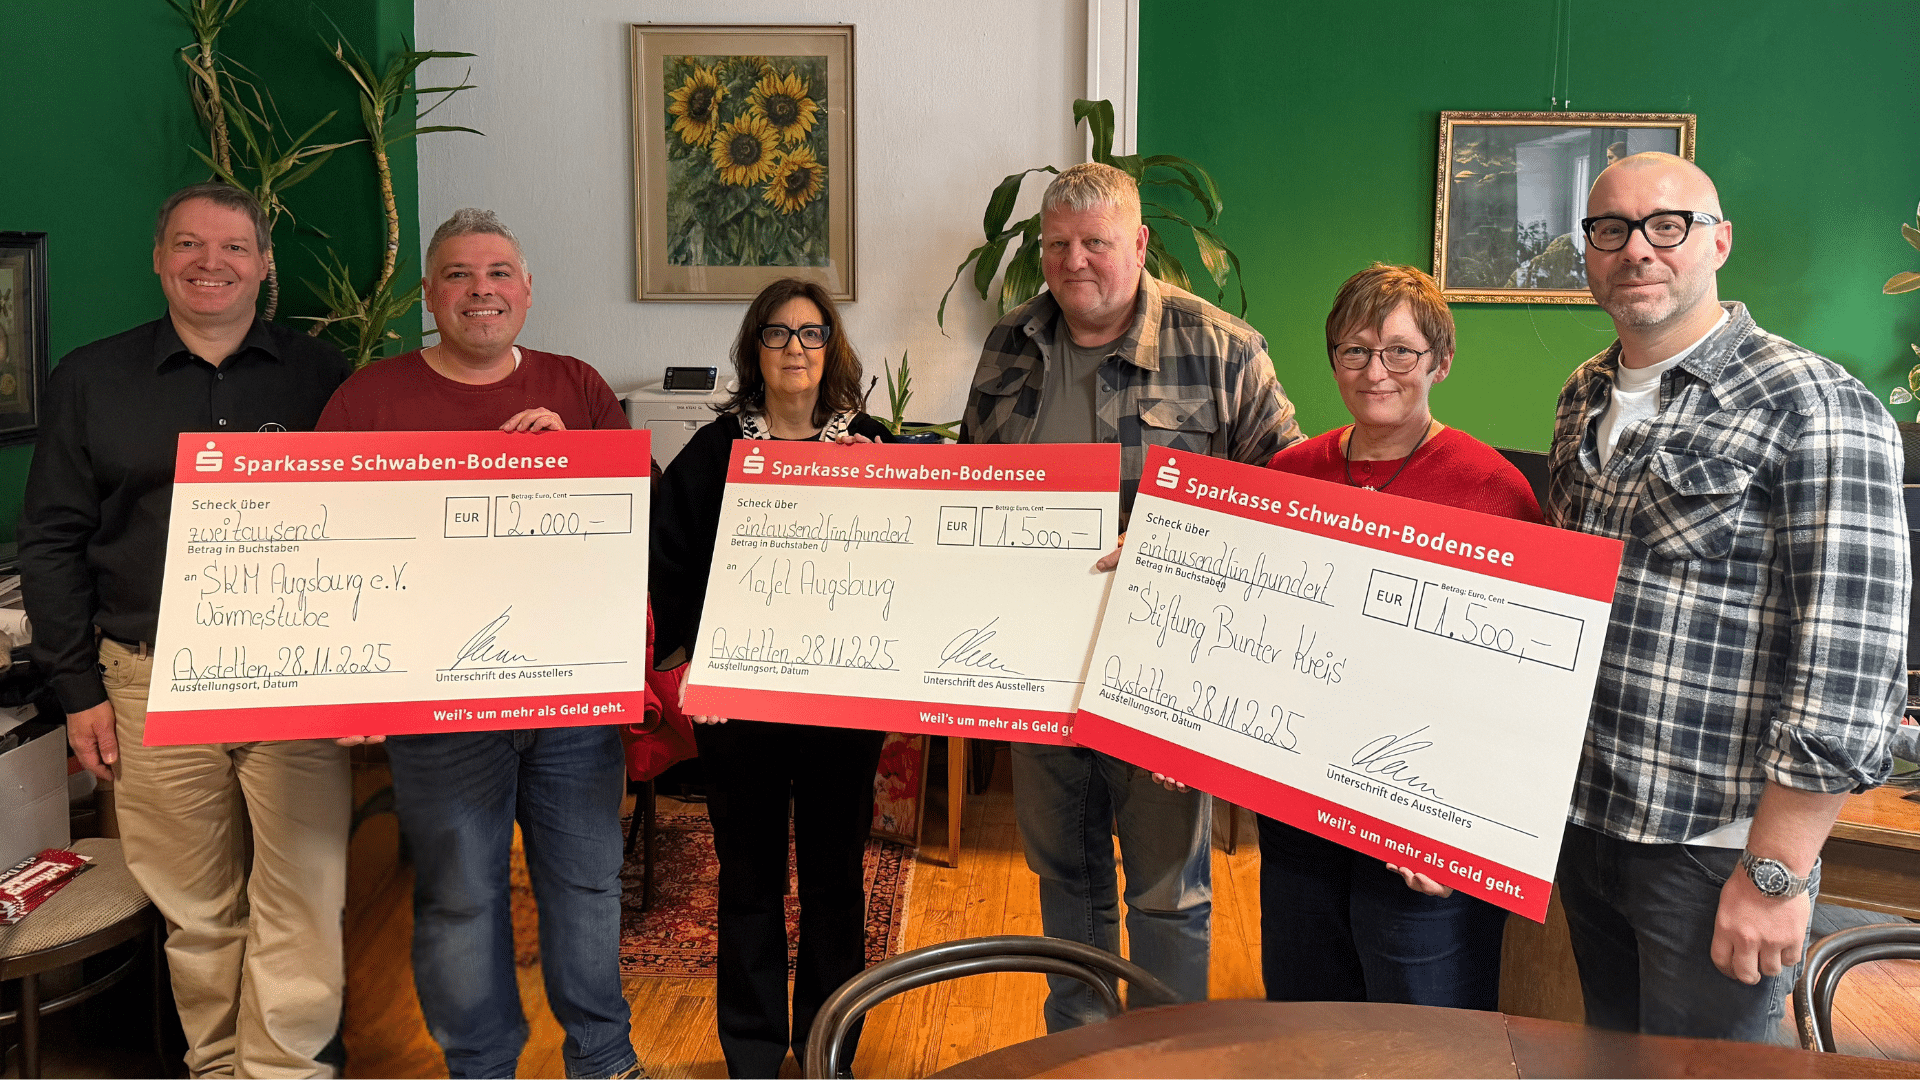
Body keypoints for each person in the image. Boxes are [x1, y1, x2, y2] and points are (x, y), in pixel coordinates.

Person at [1547, 152, 1909, 1041]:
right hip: (1588, 821)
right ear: (1588, 250)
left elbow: (1851, 661)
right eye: (1611, 230)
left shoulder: (1814, 404)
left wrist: (1777, 871)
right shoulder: (1582, 394)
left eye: (1667, 225)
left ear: (1719, 242)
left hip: (1713, 850)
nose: (1638, 249)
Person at [18, 182, 353, 1077]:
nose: (212, 263)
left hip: (294, 677)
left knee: (304, 897)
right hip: (147, 677)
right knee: (197, 910)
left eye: (235, 247)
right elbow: (50, 541)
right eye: (190, 245)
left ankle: (284, 1073)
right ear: (159, 259)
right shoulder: (91, 379)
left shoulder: (322, 377)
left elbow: (375, 515)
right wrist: (77, 691)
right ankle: (217, 1066)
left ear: (264, 264)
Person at [962, 161, 1304, 1031]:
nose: (1073, 261)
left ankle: (1165, 1057)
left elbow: (1288, 505)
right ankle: (1080, 1053)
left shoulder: (1223, 348)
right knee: (1063, 876)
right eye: (1057, 245)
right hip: (1036, 663)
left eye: (1096, 243)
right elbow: (967, 486)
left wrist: (1179, 551)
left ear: (1141, 243)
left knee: (1166, 889)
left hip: (1164, 665)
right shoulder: (1009, 344)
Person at [317, 208, 643, 1079]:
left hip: (570, 697)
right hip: (439, 708)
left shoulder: (578, 388)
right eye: (458, 275)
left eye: (498, 273)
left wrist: (577, 461)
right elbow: (326, 545)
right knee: (460, 897)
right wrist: (347, 683)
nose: (480, 290)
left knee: (587, 885)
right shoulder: (367, 401)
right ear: (428, 294)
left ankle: (605, 1059)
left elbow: (635, 522)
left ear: (527, 290)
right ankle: (482, 1067)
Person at [1257, 263, 1541, 1010]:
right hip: (1299, 804)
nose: (1375, 372)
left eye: (1399, 352)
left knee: (1419, 1023)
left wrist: (1459, 823)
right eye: (1354, 351)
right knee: (1307, 1008)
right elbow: (1254, 626)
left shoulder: (1492, 489)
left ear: (1440, 361)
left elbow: (1522, 682)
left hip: (1422, 820)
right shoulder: (1289, 473)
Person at [651, 277, 891, 1078]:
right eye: (778, 333)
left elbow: (909, 558)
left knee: (835, 879)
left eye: (812, 333)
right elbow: (669, 559)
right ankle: (752, 1054)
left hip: (840, 703)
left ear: (832, 348)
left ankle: (829, 1048)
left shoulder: (870, 446)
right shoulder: (714, 451)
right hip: (740, 709)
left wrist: (884, 486)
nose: (796, 348)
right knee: (748, 880)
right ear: (755, 348)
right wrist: (688, 659)